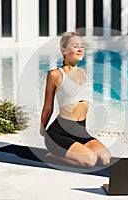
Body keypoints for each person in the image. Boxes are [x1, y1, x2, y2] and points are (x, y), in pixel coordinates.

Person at [40, 32, 111, 167]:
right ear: (64, 50)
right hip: (59, 132)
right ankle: (55, 156)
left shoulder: (83, 72)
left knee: (105, 158)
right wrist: (42, 128)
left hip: (80, 130)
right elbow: (48, 106)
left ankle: (72, 151)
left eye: (82, 46)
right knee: (89, 161)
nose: (80, 49)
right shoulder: (55, 74)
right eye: (75, 46)